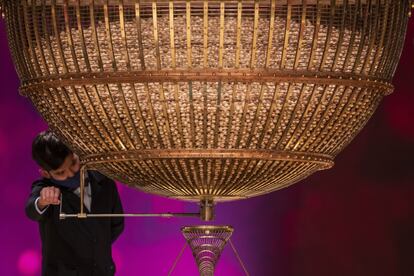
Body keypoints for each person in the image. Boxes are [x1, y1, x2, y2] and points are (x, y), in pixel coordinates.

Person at [25, 131, 124, 276]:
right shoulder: (44, 188)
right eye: (60, 173)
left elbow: (117, 224)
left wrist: (96, 246)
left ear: (76, 153)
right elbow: (31, 209)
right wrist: (43, 201)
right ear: (46, 174)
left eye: (73, 163)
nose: (70, 174)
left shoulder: (104, 181)